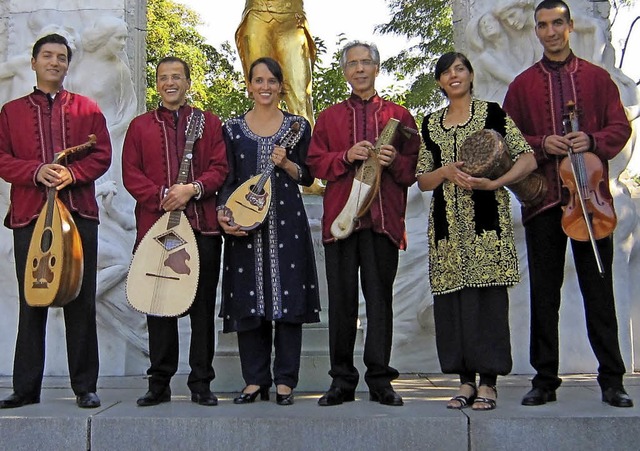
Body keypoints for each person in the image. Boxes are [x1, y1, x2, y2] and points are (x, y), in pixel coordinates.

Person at [503, 0, 633, 408]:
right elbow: (508, 140)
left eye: (557, 23)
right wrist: (544, 143)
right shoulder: (521, 86)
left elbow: (619, 127)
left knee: (599, 291)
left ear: (570, 26)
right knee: (544, 294)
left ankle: (612, 379)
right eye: (543, 25)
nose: (551, 31)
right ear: (536, 31)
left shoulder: (597, 80)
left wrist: (590, 140)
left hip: (591, 206)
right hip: (544, 201)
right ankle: (544, 379)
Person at [416, 52, 536, 410]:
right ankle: (465, 383)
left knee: (488, 305)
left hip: (487, 229)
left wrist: (495, 182)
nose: (454, 76)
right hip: (447, 232)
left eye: (460, 69)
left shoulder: (492, 114)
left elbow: (527, 157)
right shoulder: (429, 124)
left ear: (470, 75)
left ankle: (489, 384)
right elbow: (423, 179)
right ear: (439, 81)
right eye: (446, 72)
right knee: (453, 307)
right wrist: (446, 173)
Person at [0, 33, 111, 409]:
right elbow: (2, 159)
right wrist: (36, 171)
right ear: (34, 62)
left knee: (81, 303)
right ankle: (25, 388)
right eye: (47, 56)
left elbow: (102, 156)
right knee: (33, 301)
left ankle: (85, 387)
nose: (54, 62)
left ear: (67, 65)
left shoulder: (87, 109)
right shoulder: (10, 112)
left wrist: (71, 174)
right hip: (29, 215)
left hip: (78, 216)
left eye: (61, 57)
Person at [307, 41, 420, 407]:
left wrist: (393, 159)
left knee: (379, 302)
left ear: (377, 67)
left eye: (366, 62)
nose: (359, 69)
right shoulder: (328, 118)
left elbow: (412, 170)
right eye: (352, 63)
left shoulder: (400, 117)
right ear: (344, 71)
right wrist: (345, 155)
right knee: (341, 305)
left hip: (383, 221)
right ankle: (341, 381)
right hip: (342, 223)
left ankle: (380, 380)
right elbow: (315, 165)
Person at [122, 56, 228, 407]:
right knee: (158, 304)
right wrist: (162, 196)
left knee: (201, 308)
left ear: (187, 82)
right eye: (164, 77)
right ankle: (159, 382)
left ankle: (201, 382)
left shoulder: (210, 123)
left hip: (203, 227)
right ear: (157, 84)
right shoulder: (139, 127)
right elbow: (131, 173)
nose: (170, 82)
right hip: (156, 227)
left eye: (177, 77)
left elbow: (220, 167)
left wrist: (193, 189)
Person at [217, 57, 320, 406]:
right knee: (249, 298)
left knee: (288, 298)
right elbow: (226, 179)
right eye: (258, 80)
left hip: (286, 223)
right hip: (244, 224)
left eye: (271, 81)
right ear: (248, 85)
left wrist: (287, 163)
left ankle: (286, 381)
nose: (264, 87)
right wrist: (223, 215)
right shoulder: (231, 130)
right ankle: (254, 380)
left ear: (280, 85)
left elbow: (308, 176)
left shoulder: (298, 127)